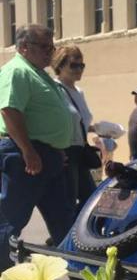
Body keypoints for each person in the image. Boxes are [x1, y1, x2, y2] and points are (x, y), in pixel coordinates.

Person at [0, 24, 76, 270]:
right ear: (23, 47)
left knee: (63, 215)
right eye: (44, 47)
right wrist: (28, 150)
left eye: (52, 47)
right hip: (24, 154)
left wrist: (57, 148)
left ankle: (77, 267)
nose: (50, 53)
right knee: (12, 215)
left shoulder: (37, 73)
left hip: (47, 155)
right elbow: (10, 110)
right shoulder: (17, 71)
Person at [52, 45, 97, 212]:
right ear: (60, 65)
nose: (79, 69)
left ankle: (70, 232)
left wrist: (97, 128)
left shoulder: (79, 91)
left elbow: (79, 121)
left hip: (80, 149)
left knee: (91, 198)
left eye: (81, 65)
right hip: (65, 150)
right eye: (73, 65)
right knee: (69, 200)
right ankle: (65, 234)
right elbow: (57, 122)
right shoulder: (54, 89)